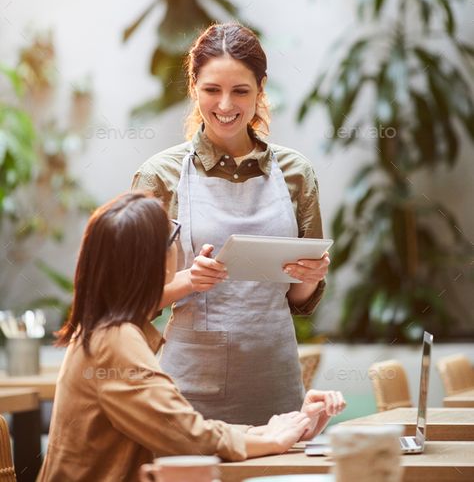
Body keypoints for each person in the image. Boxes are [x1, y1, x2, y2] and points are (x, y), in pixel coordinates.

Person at [37, 192, 345, 481]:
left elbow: (181, 427)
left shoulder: (104, 330)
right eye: (171, 237)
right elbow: (184, 435)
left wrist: (272, 431)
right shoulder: (116, 340)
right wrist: (272, 438)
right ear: (151, 261)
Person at [132, 22, 331, 425]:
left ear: (261, 88)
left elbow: (298, 300)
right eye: (211, 90)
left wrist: (310, 274)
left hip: (275, 383)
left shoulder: (295, 173)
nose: (225, 105)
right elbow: (131, 302)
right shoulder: (160, 176)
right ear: (193, 87)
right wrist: (190, 280)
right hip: (189, 393)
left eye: (241, 90)